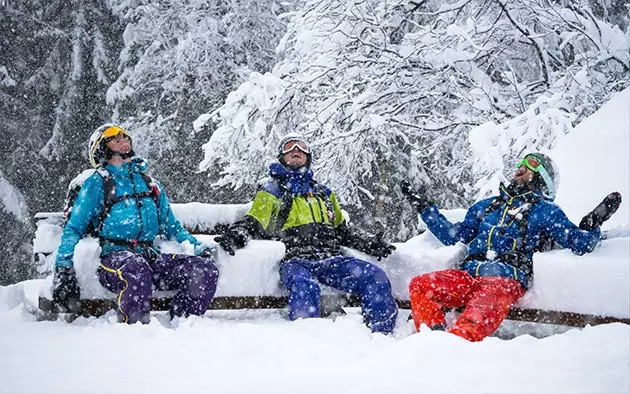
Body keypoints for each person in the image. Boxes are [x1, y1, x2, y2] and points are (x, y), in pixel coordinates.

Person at [401, 152, 621, 341]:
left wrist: (594, 222)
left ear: (542, 179)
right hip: (468, 277)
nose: (521, 168)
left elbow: (579, 242)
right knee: (421, 286)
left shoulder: (544, 210)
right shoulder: (488, 206)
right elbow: (454, 236)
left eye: (531, 166)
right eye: (521, 164)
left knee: (469, 328)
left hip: (503, 281)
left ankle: (446, 358)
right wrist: (425, 209)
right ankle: (432, 342)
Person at [215, 135, 398, 334]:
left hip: (330, 260)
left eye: (302, 147)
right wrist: (237, 234)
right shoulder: (273, 191)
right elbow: (254, 220)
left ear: (308, 156)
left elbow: (342, 231)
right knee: (304, 286)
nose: (296, 150)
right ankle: (308, 338)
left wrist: (370, 243)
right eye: (289, 147)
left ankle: (381, 334)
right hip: (296, 261)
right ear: (281, 156)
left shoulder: (324, 193)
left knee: (374, 276)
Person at [52, 124, 219, 324]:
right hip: (114, 260)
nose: (123, 138)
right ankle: (135, 331)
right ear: (102, 148)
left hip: (149, 257)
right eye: (115, 137)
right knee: (136, 268)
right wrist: (64, 269)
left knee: (205, 270)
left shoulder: (149, 183)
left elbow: (171, 226)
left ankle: (183, 325)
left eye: (124, 135)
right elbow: (74, 228)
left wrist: (195, 245)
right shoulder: (98, 182)